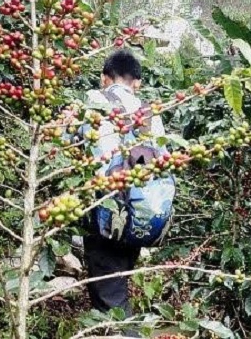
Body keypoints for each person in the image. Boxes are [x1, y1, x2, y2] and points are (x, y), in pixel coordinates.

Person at [79, 49, 165, 314]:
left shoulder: (94, 100)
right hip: (140, 213)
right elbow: (162, 161)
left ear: (105, 78)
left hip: (107, 208)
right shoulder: (150, 114)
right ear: (137, 83)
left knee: (110, 299)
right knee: (117, 281)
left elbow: (76, 144)